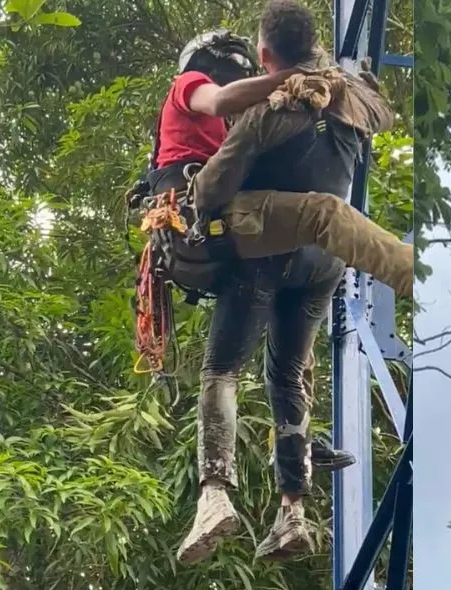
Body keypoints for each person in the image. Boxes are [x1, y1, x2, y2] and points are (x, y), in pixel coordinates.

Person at [175, 0, 398, 565]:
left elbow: (213, 189)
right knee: (288, 375)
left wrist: (194, 199)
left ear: (265, 55)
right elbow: (383, 115)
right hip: (325, 263)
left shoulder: (268, 112)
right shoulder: (353, 99)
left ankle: (215, 495)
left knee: (221, 370)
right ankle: (291, 514)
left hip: (267, 257)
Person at [145, 29, 358, 474]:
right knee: (227, 364)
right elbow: (219, 101)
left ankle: (294, 434)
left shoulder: (237, 122)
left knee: (291, 342)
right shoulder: (189, 86)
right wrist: (298, 74)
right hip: (193, 213)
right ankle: (220, 477)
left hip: (226, 223)